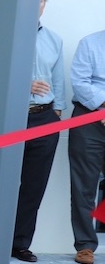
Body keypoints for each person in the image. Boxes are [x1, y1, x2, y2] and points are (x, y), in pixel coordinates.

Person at [10, 0, 64, 262]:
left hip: (44, 118)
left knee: (34, 185)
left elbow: (58, 80)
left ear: (44, 5)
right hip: (10, 117)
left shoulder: (55, 40)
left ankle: (19, 243)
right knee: (1, 182)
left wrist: (56, 112)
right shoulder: (5, 36)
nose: (35, 5)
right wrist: (23, 84)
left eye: (39, 0)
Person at [69, 24, 105, 264]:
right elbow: (80, 82)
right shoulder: (89, 43)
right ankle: (85, 245)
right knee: (84, 186)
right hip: (89, 118)